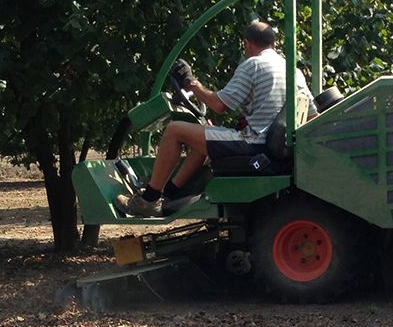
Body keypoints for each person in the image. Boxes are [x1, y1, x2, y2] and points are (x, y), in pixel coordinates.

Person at [116, 20, 317, 217]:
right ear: (273, 43)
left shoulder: (254, 65)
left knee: (174, 130)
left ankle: (148, 200)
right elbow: (312, 114)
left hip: (254, 144)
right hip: (277, 148)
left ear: (247, 44)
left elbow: (219, 105)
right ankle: (170, 194)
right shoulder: (293, 70)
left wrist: (192, 83)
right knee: (202, 137)